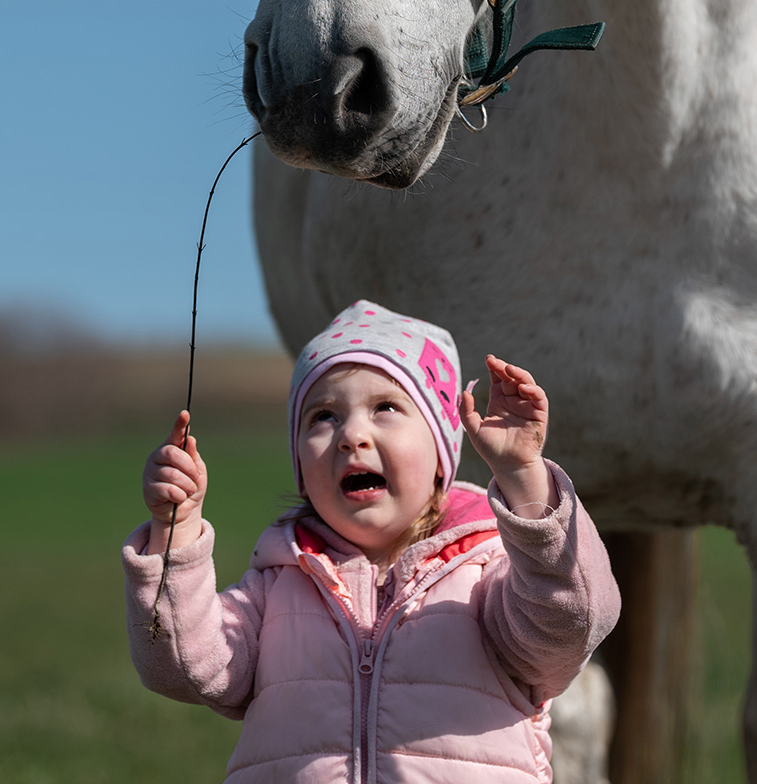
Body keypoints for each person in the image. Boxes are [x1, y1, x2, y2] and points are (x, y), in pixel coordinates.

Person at [123, 299, 620, 782]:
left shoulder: (488, 575)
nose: (351, 434)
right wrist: (175, 532)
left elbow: (570, 624)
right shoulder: (275, 585)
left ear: (441, 455)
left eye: (385, 407)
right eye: (322, 416)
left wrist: (524, 481)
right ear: (301, 468)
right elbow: (179, 667)